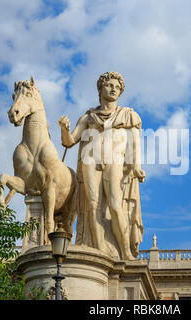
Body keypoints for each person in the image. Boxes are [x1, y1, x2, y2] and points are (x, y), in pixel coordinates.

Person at [58, 71, 145, 260]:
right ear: (100, 89)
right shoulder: (89, 117)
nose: (113, 89)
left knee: (115, 204)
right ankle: (98, 252)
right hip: (90, 160)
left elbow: (135, 142)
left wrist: (136, 165)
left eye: (117, 87)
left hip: (115, 160)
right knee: (91, 205)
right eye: (109, 85)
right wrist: (64, 129)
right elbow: (69, 141)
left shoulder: (128, 115)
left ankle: (125, 253)